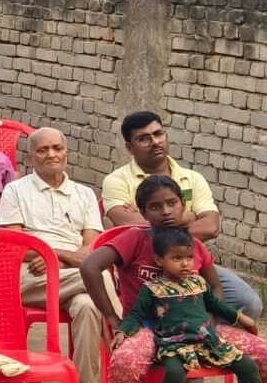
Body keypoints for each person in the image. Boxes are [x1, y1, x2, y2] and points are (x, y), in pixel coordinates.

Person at [83, 176, 267, 383]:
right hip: (147, 330)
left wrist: (207, 321)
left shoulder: (190, 244)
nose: (166, 211)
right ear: (144, 213)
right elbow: (89, 266)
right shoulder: (135, 239)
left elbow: (215, 288)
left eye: (172, 203)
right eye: (155, 206)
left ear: (183, 205)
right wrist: (112, 318)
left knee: (262, 351)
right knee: (124, 364)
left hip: (197, 328)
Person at [0, 128, 106, 383]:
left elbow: (92, 247)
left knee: (87, 306)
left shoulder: (83, 194)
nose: (51, 155)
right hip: (31, 279)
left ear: (66, 152)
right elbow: (16, 246)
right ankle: (125, 326)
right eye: (43, 150)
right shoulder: (15, 191)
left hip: (73, 277)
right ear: (30, 157)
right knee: (100, 281)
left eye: (57, 148)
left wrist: (54, 257)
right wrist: (59, 255)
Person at [102, 111, 261, 318]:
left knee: (248, 302)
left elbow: (211, 227)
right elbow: (135, 229)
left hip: (192, 263)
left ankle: (203, 342)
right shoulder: (117, 181)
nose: (155, 142)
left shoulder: (192, 178)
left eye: (158, 134)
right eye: (144, 138)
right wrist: (189, 216)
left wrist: (164, 227)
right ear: (129, 147)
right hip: (143, 267)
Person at [117, 226, 267, 383]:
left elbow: (215, 305)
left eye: (189, 257)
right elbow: (136, 315)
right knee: (175, 372)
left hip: (207, 341)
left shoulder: (198, 283)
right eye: (176, 258)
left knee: (246, 365)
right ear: (159, 260)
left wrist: (241, 318)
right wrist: (123, 331)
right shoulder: (152, 289)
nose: (185, 263)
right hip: (173, 343)